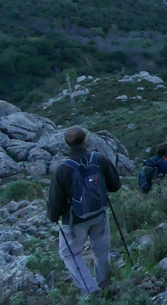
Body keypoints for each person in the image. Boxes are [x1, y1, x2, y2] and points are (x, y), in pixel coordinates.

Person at [47, 126, 121, 295]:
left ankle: (90, 289)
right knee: (101, 250)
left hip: (74, 220)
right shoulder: (99, 159)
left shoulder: (62, 169)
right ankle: (105, 284)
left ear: (67, 144)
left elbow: (55, 202)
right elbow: (115, 186)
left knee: (69, 253)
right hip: (100, 214)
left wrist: (53, 217)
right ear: (85, 140)